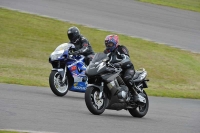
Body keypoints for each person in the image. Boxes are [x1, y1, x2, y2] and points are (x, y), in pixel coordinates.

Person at [103, 34, 144, 103]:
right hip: (114, 70)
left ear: (115, 43)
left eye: (110, 44)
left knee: (127, 79)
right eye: (107, 44)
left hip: (126, 68)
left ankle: (135, 95)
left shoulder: (121, 48)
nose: (108, 46)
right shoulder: (106, 52)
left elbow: (126, 57)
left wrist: (119, 63)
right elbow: (102, 60)